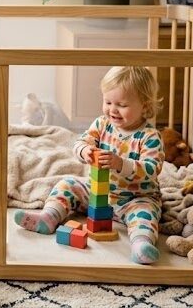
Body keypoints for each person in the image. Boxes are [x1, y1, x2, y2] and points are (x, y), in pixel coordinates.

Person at [13, 66, 165, 265]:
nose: (112, 109)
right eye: (108, 102)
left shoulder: (150, 136)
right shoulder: (102, 124)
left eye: (121, 104)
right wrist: (85, 151)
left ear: (144, 106)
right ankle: (49, 217)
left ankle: (141, 244)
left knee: (145, 214)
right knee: (67, 184)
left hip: (135, 197)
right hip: (96, 192)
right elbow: (80, 142)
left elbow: (152, 169)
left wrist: (121, 163)